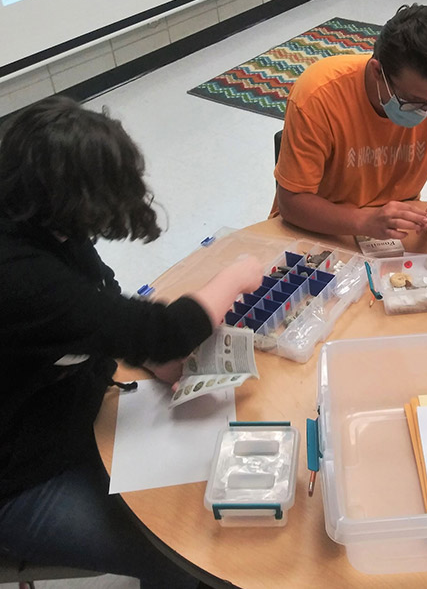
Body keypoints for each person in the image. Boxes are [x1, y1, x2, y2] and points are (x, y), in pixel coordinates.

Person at [0, 96, 265, 587]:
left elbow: (99, 313)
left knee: (199, 501)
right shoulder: (17, 273)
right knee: (192, 552)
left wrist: (147, 355)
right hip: (19, 483)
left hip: (66, 415)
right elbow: (165, 331)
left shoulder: (43, 220)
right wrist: (234, 276)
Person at [274, 4, 427, 241]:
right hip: (320, 231)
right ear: (377, 71)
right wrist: (363, 221)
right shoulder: (319, 95)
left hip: (395, 233)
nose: (424, 111)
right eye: (411, 100)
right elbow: (291, 203)